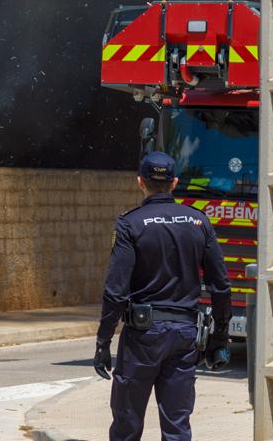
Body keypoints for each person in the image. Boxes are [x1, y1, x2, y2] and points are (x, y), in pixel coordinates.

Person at [95, 151, 232, 441]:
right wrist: (220, 335)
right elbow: (220, 285)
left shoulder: (131, 224)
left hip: (142, 338)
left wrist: (103, 341)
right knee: (177, 426)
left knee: (126, 424)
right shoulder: (198, 222)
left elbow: (116, 291)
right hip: (184, 337)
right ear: (175, 183)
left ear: (140, 182)